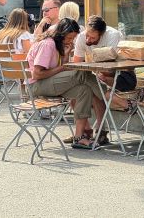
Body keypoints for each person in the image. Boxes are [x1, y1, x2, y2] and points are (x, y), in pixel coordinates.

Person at [27, 18, 107, 149]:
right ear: (61, 34)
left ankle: (79, 137)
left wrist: (65, 55)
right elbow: (37, 74)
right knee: (81, 73)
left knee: (84, 90)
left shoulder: (57, 44)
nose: (71, 41)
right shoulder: (48, 44)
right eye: (69, 37)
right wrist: (62, 68)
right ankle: (109, 96)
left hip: (49, 83)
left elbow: (58, 69)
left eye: (73, 38)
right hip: (37, 86)